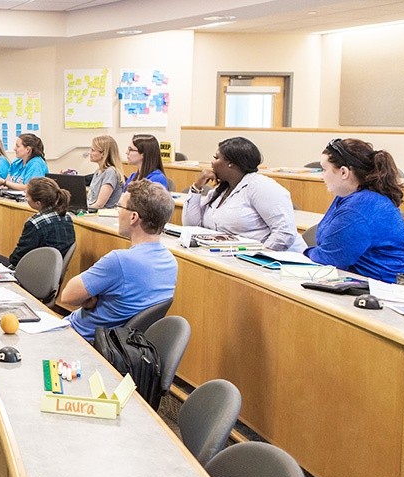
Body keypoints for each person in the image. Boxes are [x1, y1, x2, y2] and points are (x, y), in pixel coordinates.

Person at [58, 179, 177, 343]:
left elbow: (67, 296)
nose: (118, 212)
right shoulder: (170, 262)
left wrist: (93, 297)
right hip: (120, 345)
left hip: (81, 341)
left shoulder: (120, 261)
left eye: (120, 207)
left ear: (133, 217)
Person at [305, 138, 404, 283]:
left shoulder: (359, 207)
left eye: (324, 170)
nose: (322, 176)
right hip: (361, 283)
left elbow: (331, 258)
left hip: (386, 291)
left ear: (343, 172)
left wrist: (303, 253)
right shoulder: (347, 196)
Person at [182, 137, 299, 250]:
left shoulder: (261, 186)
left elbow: (285, 232)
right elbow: (191, 225)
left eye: (216, 158)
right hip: (231, 256)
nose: (212, 162)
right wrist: (197, 187)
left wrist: (260, 256)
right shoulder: (222, 189)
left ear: (231, 163)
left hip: (267, 262)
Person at [87, 135, 124, 209]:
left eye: (93, 150)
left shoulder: (110, 172)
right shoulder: (98, 171)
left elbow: (99, 205)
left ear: (103, 153)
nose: (89, 153)